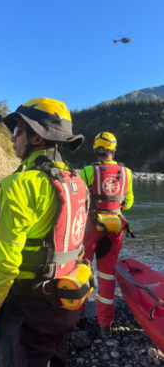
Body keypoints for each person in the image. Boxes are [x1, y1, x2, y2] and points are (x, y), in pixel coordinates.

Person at [0, 98, 90, 366]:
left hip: (27, 309)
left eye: (17, 131)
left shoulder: (19, 185)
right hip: (64, 302)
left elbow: (3, 262)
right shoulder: (78, 183)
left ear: (37, 137)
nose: (12, 139)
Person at [78, 132, 134, 334]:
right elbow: (128, 202)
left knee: (82, 270)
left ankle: (79, 314)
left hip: (91, 226)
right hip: (115, 227)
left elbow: (79, 199)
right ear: (113, 150)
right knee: (107, 275)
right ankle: (105, 325)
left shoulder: (86, 171)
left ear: (96, 150)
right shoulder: (126, 173)